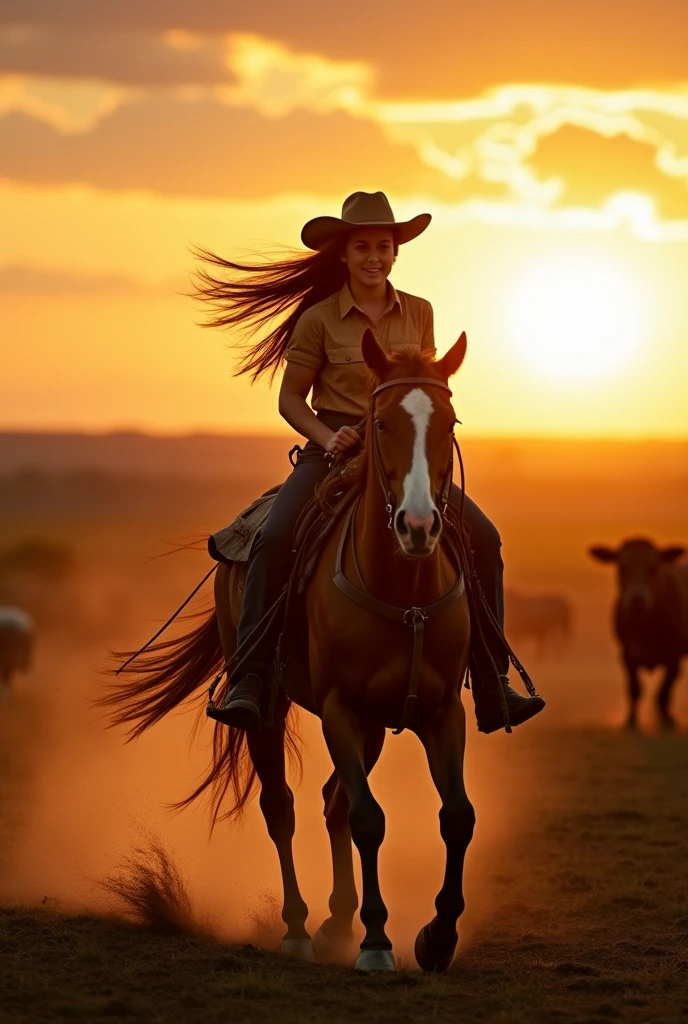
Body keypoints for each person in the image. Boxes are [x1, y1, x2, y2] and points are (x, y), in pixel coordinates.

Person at [195, 191, 545, 734]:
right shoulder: (317, 320)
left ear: (396, 252)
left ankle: (492, 680)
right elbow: (290, 399)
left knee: (485, 537)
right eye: (363, 247)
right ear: (344, 253)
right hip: (332, 454)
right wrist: (326, 435)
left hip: (399, 459)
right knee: (274, 536)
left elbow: (422, 390)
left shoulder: (421, 312)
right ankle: (250, 676)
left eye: (384, 245)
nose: (374, 256)